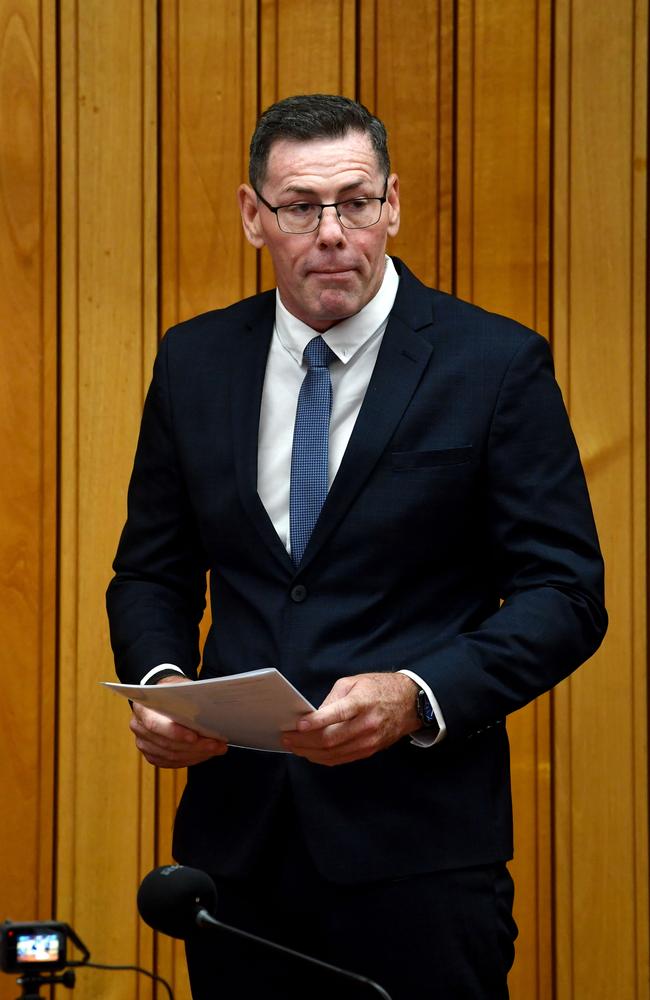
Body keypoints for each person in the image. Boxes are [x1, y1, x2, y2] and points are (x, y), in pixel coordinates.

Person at [107, 93, 607, 999]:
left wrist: (418, 696)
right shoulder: (194, 361)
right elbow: (152, 569)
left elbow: (565, 593)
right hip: (238, 854)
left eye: (357, 201)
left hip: (420, 854)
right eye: (301, 206)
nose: (332, 231)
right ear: (253, 216)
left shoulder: (494, 364)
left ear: (394, 205)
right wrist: (163, 684)